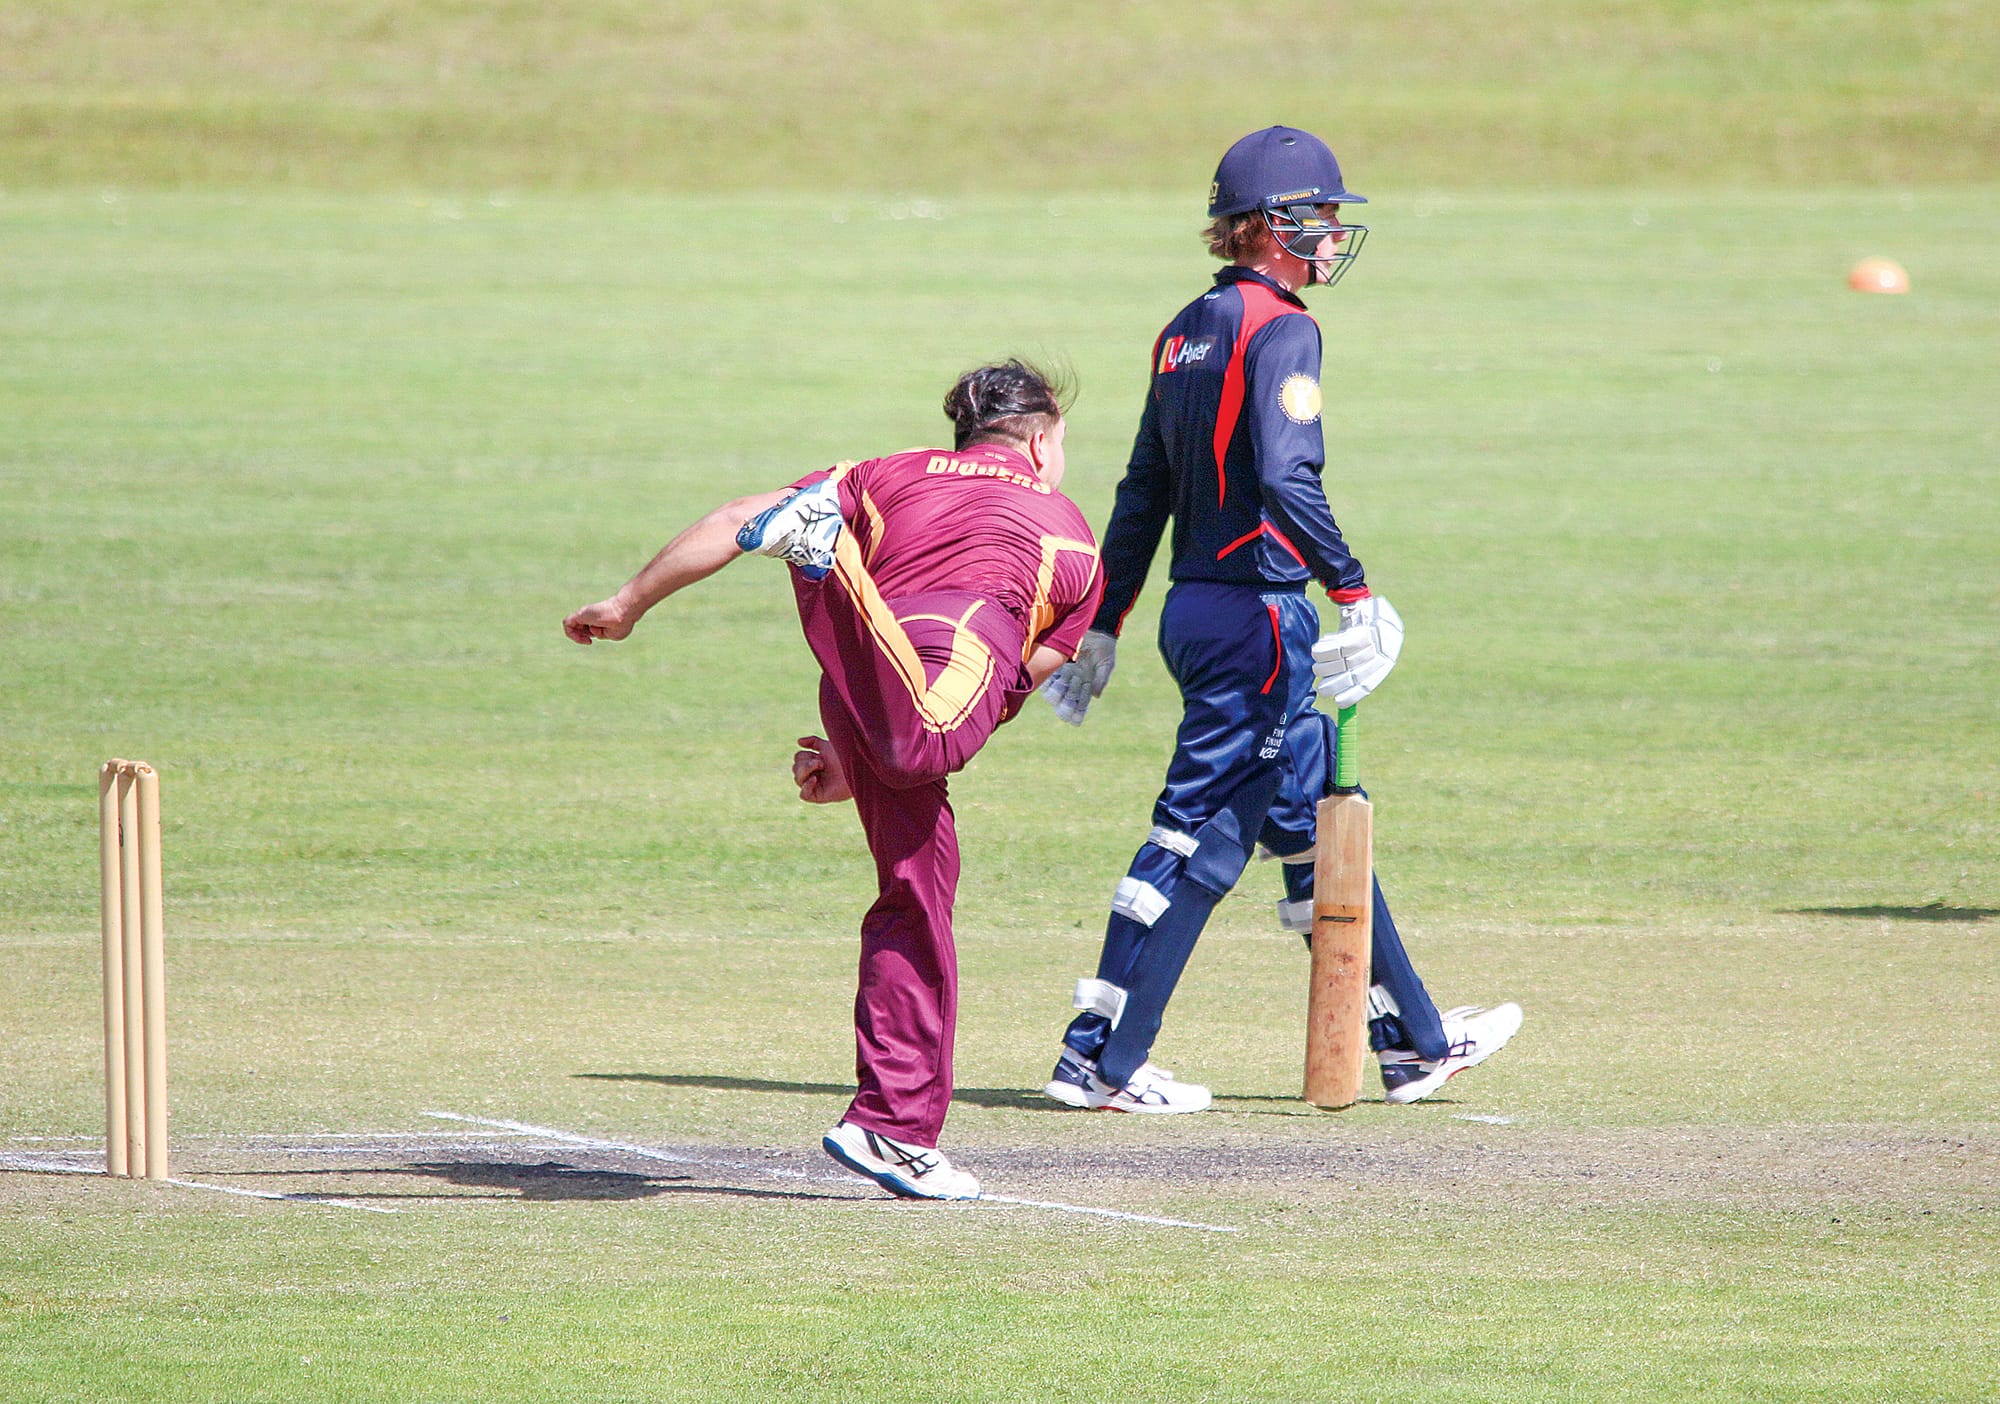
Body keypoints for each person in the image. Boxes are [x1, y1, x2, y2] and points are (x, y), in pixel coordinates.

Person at [1037, 126, 1521, 1113]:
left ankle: (1413, 1042)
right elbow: (1286, 474)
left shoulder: (1183, 328)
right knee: (1194, 837)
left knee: (1307, 824)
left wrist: (1106, 618)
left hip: (1194, 610)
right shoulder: (1282, 328)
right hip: (1258, 619)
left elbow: (1141, 490)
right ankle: (1099, 1059)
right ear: (1269, 225)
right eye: (1322, 216)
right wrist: (1352, 589)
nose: (1335, 234)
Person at [564, 360, 1101, 1200]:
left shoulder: (883, 473)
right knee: (928, 747)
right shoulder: (1071, 532)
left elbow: (738, 517)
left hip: (866, 672)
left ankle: (894, 1127)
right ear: (1041, 441)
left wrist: (628, 603)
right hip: (954, 653)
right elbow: (1012, 683)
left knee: (917, 891)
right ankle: (826, 565)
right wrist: (895, 745)